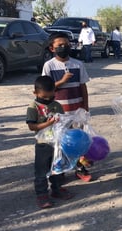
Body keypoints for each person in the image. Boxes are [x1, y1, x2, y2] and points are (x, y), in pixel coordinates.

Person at [42, 32, 92, 182]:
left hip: (77, 110)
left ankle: (80, 168)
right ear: (52, 48)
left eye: (67, 45)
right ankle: (61, 170)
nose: (64, 47)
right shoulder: (49, 66)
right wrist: (62, 81)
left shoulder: (78, 64)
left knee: (78, 141)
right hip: (59, 114)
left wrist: (86, 106)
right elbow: (46, 89)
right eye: (60, 46)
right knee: (61, 142)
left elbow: (83, 86)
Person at [26, 76, 74, 209]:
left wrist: (69, 130)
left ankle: (57, 190)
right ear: (35, 93)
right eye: (44, 97)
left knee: (57, 169)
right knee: (41, 171)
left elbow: (64, 122)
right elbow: (32, 126)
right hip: (43, 144)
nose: (47, 100)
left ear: (55, 91)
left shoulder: (57, 105)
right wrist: (49, 123)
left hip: (57, 144)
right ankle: (42, 195)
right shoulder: (33, 107)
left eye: (50, 96)